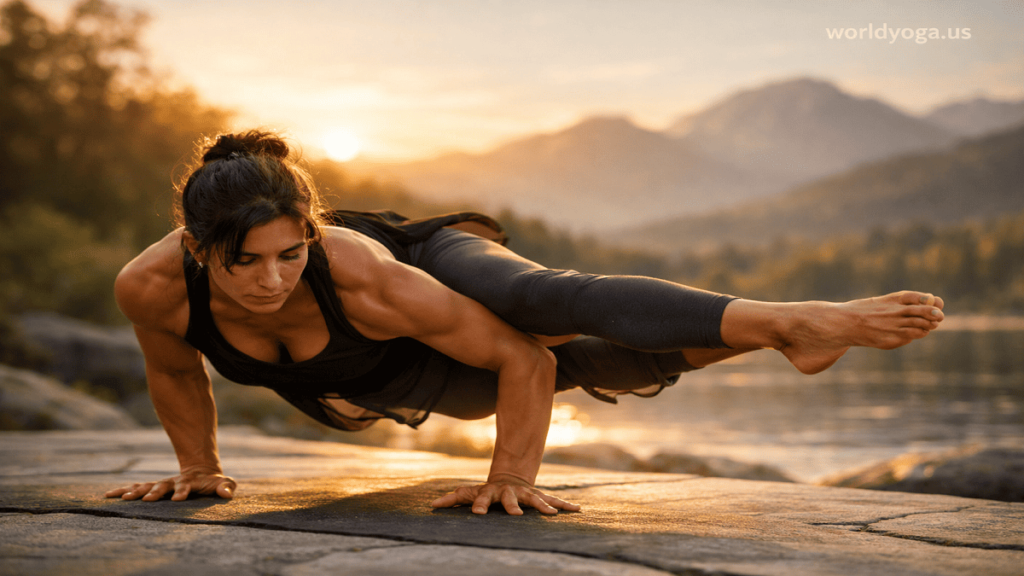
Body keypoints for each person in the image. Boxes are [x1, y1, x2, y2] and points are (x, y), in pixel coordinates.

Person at [105, 130, 945, 516]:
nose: (271, 280)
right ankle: (781, 341)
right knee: (584, 365)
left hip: (425, 265)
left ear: (311, 233)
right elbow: (178, 371)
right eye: (244, 261)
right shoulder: (151, 289)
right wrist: (200, 469)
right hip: (382, 363)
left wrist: (510, 476)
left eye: (289, 254)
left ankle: (790, 317)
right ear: (193, 243)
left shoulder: (354, 269)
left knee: (539, 307)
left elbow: (522, 357)